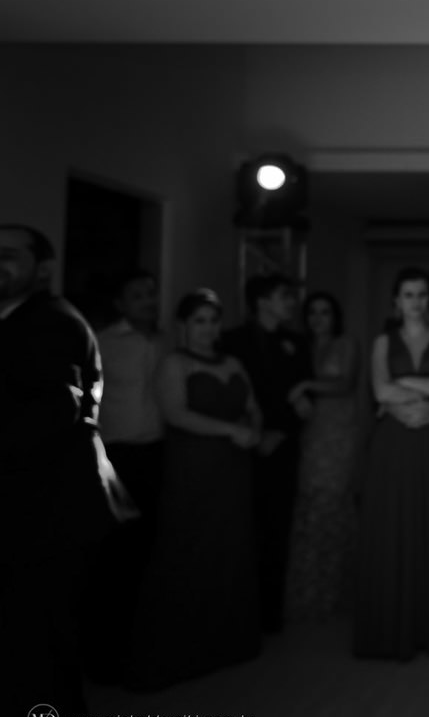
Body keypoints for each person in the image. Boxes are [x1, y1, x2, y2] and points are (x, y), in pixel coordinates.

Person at [0, 223, 125, 717]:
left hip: (47, 514)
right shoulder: (19, 320)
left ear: (43, 268)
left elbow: (54, 409)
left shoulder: (51, 322)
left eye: (9, 254)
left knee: (40, 656)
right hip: (32, 510)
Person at [124, 289, 262, 690]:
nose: (208, 329)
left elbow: (252, 404)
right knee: (189, 544)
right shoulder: (174, 363)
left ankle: (229, 643)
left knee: (230, 545)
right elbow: (175, 413)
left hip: (235, 467)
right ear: (184, 325)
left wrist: (253, 427)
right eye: (200, 321)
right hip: (194, 466)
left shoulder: (234, 362)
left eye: (213, 320)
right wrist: (231, 430)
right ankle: (180, 650)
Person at [354, 268, 429, 659]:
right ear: (396, 301)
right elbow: (379, 389)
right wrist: (424, 390)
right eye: (408, 294)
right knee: (394, 523)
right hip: (395, 443)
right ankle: (393, 626)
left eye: (422, 294)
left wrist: (403, 386)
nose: (417, 301)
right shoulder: (381, 342)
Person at [84, 268, 168, 682]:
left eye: (151, 294)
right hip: (116, 455)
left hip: (158, 452)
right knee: (115, 553)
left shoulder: (167, 340)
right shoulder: (102, 342)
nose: (148, 301)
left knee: (150, 550)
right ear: (120, 303)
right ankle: (105, 654)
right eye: (138, 295)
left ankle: (141, 647)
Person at [222, 272, 312, 633]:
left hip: (283, 443)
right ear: (261, 302)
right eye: (283, 296)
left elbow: (303, 396)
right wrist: (257, 431)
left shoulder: (296, 341)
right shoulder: (232, 340)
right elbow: (231, 392)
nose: (291, 303)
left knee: (278, 527)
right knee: (241, 527)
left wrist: (282, 431)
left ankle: (270, 614)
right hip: (242, 444)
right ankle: (238, 610)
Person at [285, 291, 360, 622]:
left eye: (325, 312)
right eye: (312, 312)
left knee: (334, 502)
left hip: (338, 433)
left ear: (335, 317)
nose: (318, 318)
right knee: (309, 505)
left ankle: (339, 590)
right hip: (307, 431)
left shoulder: (345, 344)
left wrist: (304, 385)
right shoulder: (298, 346)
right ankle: (308, 589)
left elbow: (344, 383)